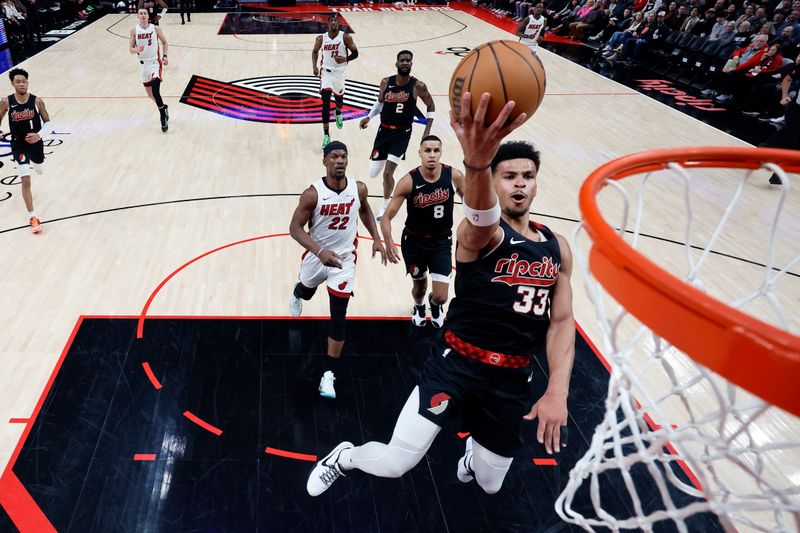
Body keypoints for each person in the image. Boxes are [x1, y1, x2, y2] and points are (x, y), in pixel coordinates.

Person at [306, 92, 576, 498]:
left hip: (512, 377)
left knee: (489, 483)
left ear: (536, 183)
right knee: (397, 463)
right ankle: (344, 457)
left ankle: (472, 458)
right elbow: (480, 214)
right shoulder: (480, 233)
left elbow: (561, 322)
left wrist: (557, 391)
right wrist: (478, 158)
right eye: (508, 176)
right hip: (456, 366)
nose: (519, 184)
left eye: (527, 176)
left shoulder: (558, 247)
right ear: (491, 183)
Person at [289, 141, 387, 400]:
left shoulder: (359, 189)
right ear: (325, 161)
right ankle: (297, 292)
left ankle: (328, 374)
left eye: (344, 156)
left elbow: (365, 210)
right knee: (307, 292)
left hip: (344, 261)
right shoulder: (313, 194)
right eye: (334, 156)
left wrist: (376, 238)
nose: (340, 161)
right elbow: (295, 228)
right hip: (317, 257)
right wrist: (320, 252)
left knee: (339, 316)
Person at [380, 135, 464, 328]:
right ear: (420, 153)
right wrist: (389, 241)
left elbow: (471, 206)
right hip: (414, 243)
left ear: (441, 153)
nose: (432, 155)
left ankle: (434, 305)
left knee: (442, 296)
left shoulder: (454, 176)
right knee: (419, 288)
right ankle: (419, 306)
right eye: (427, 151)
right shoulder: (408, 181)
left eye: (436, 151)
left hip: (441, 242)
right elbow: (386, 217)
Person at [360, 50, 435, 222]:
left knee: (388, 173)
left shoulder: (418, 86)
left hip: (402, 133)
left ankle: (385, 206)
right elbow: (379, 103)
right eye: (402, 60)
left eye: (408, 60)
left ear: (411, 64)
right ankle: (385, 192)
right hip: (383, 131)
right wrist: (368, 117)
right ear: (396, 63)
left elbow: (431, 106)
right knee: (373, 173)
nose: (405, 63)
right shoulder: (386, 82)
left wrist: (427, 132)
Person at [0, 68, 50, 234]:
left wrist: (38, 135)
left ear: (27, 82)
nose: (21, 84)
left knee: (39, 165)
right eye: (18, 81)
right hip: (18, 145)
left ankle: (37, 163)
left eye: (24, 81)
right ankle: (33, 216)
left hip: (35, 142)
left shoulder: (37, 101)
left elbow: (48, 123)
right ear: (13, 84)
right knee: (25, 180)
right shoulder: (6, 102)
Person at [312, 13, 358, 150]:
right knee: (325, 103)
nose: (333, 23)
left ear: (338, 23)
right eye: (331, 21)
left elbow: (356, 53)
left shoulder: (345, 37)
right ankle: (326, 134)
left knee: (339, 101)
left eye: (335, 21)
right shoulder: (321, 38)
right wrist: (314, 66)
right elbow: (314, 52)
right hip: (326, 72)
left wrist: (345, 59)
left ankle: (338, 112)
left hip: (340, 72)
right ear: (327, 24)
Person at [130, 8, 170, 133]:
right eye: (140, 13)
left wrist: (165, 56)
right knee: (150, 95)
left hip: (154, 63)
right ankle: (164, 107)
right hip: (143, 65)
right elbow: (131, 49)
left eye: (145, 13)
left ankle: (162, 115)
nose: (143, 15)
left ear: (148, 16)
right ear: (138, 16)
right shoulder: (134, 30)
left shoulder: (156, 29)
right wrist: (137, 50)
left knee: (156, 91)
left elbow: (164, 42)